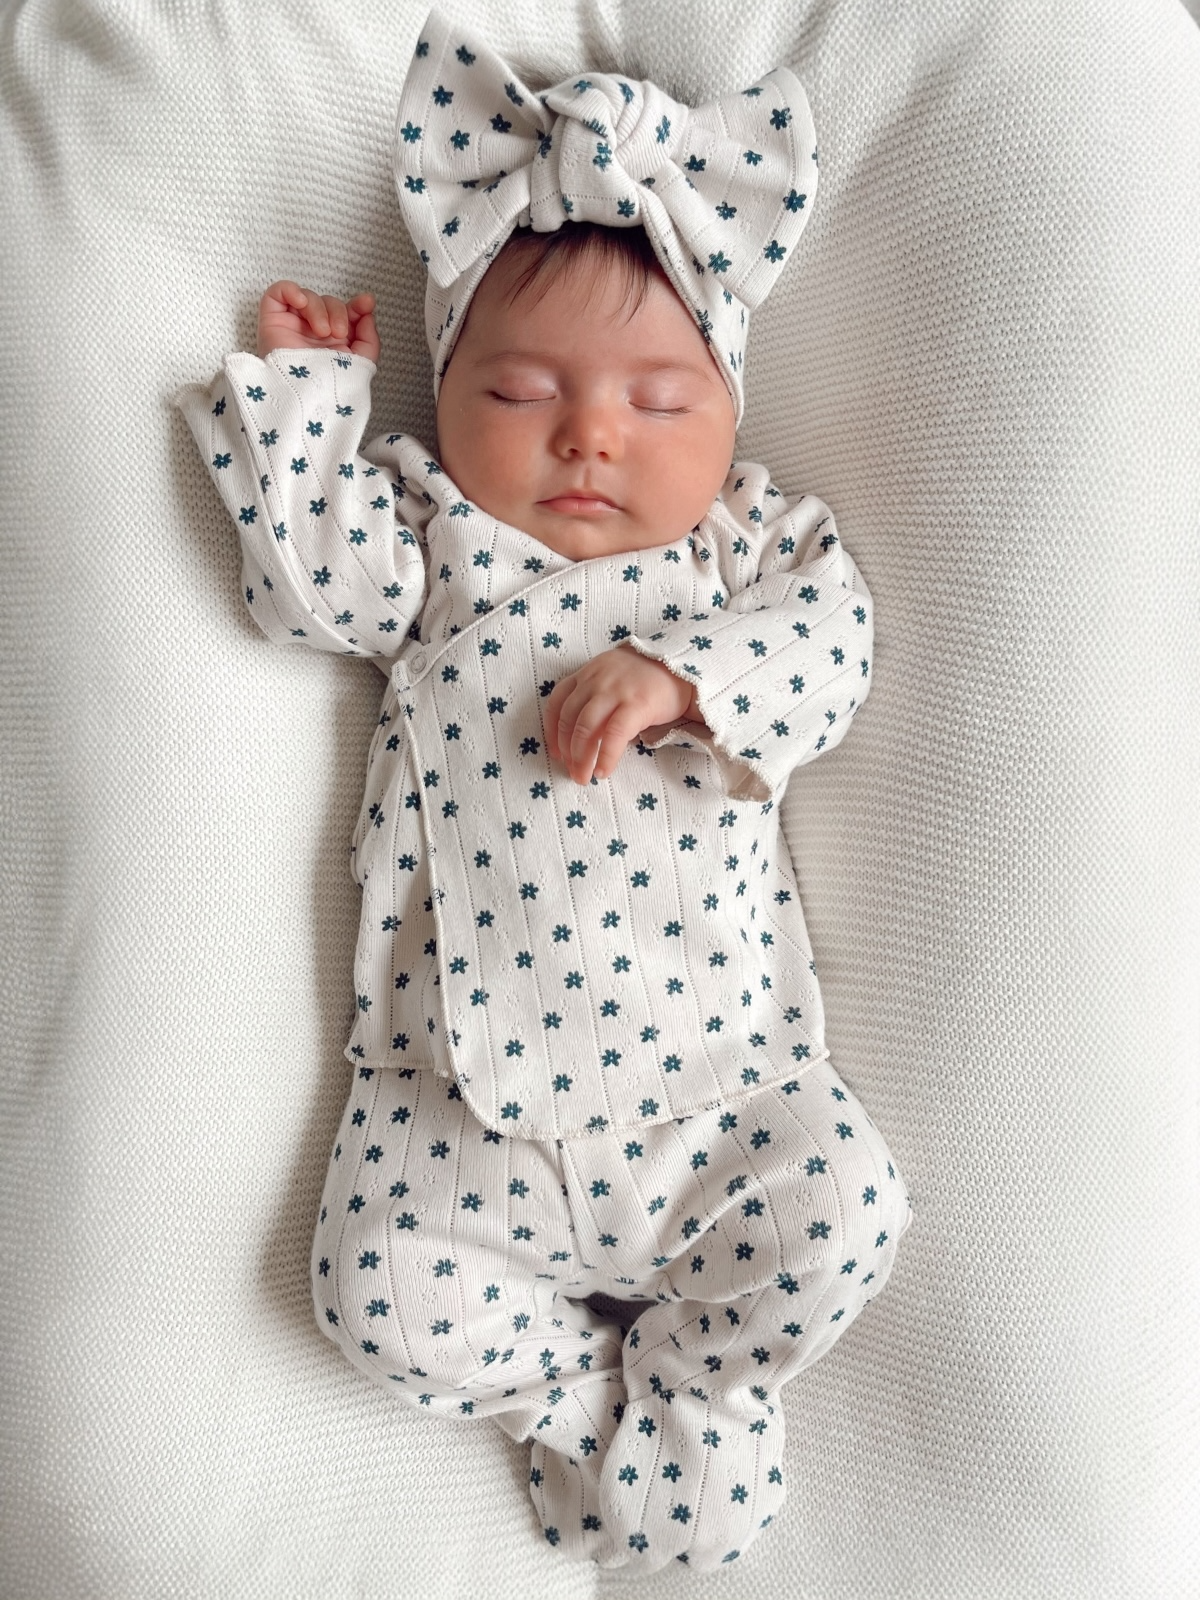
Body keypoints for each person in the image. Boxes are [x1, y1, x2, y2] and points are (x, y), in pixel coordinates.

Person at [177, 9, 911, 1573]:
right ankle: (587, 1409)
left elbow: (836, 643)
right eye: (518, 394)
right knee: (367, 1290)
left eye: (658, 403)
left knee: (850, 1210)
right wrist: (310, 400)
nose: (590, 433)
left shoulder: (742, 557)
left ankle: (703, 1388)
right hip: (459, 1119)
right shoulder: (433, 544)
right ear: (444, 397)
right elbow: (303, 583)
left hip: (719, 1095)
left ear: (726, 412)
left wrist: (689, 677)